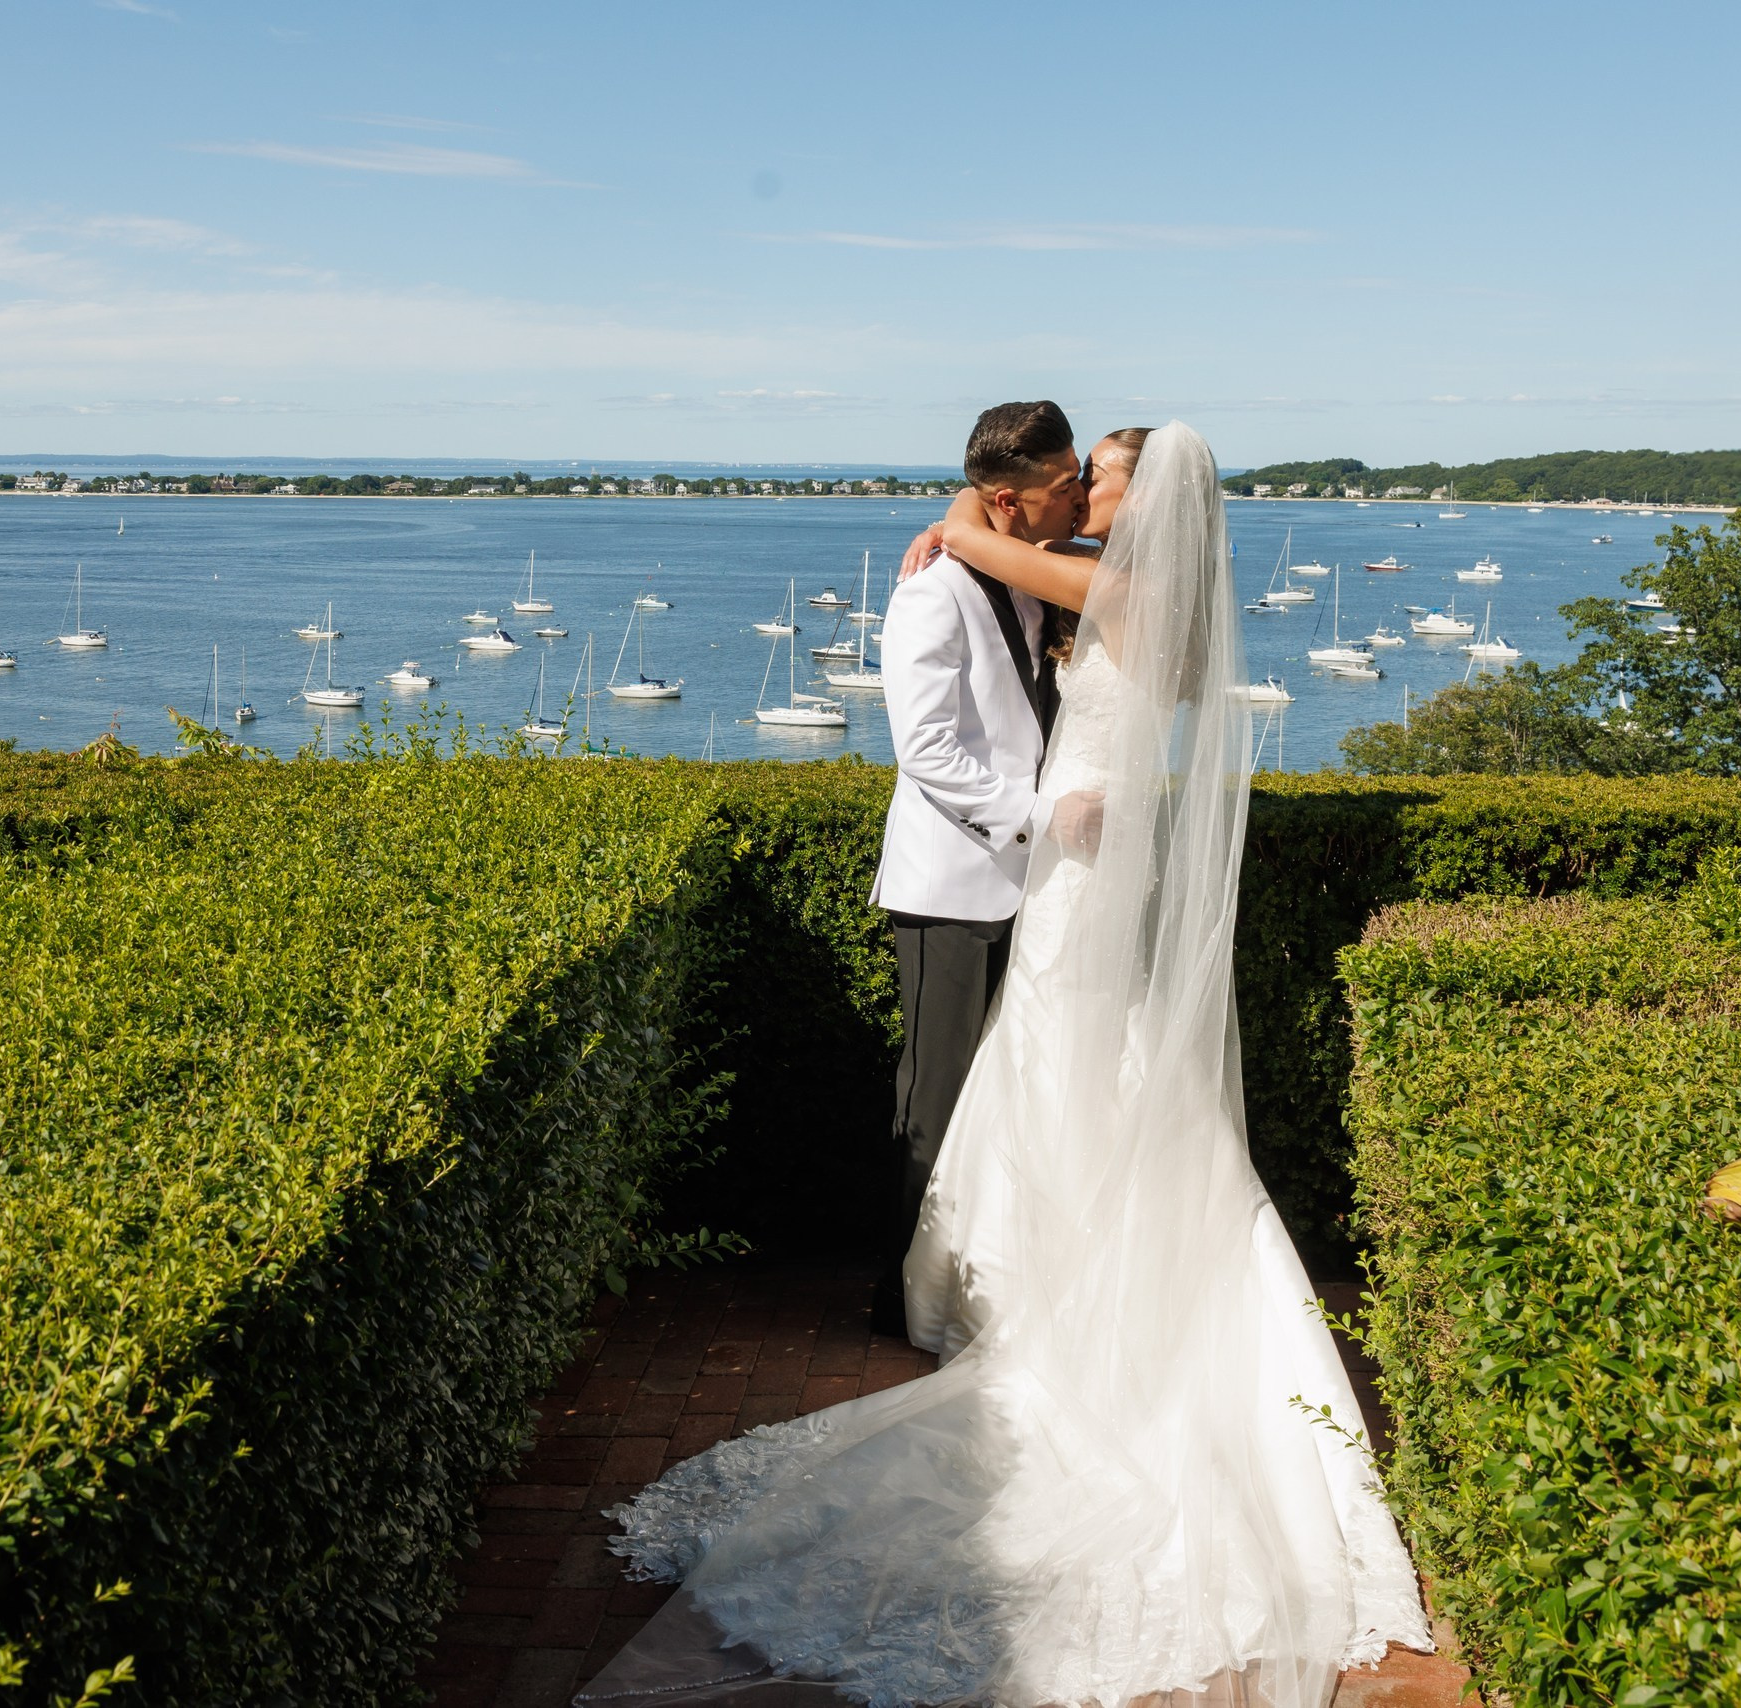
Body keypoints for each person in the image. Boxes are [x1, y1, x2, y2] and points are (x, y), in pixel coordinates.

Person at [582, 423, 1430, 1708]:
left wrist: (952, 520)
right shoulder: (1130, 578)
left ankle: (1067, 1292)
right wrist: (963, 523)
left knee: (1071, 1061)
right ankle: (1051, 1273)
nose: (1084, 488)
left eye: (1101, 474)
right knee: (1056, 1068)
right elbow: (991, 587)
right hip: (1069, 862)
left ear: (1143, 497)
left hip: (1076, 863)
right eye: (1075, 473)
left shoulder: (1120, 585)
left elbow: (993, 540)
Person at [863, 400, 1096, 1340]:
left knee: (1011, 1089)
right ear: (1007, 501)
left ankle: (985, 1284)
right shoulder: (934, 592)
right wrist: (1042, 817)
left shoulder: (1036, 569)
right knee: (938, 1093)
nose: (1078, 496)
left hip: (1037, 887)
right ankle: (903, 1296)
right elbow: (925, 748)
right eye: (1065, 483)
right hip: (951, 885)